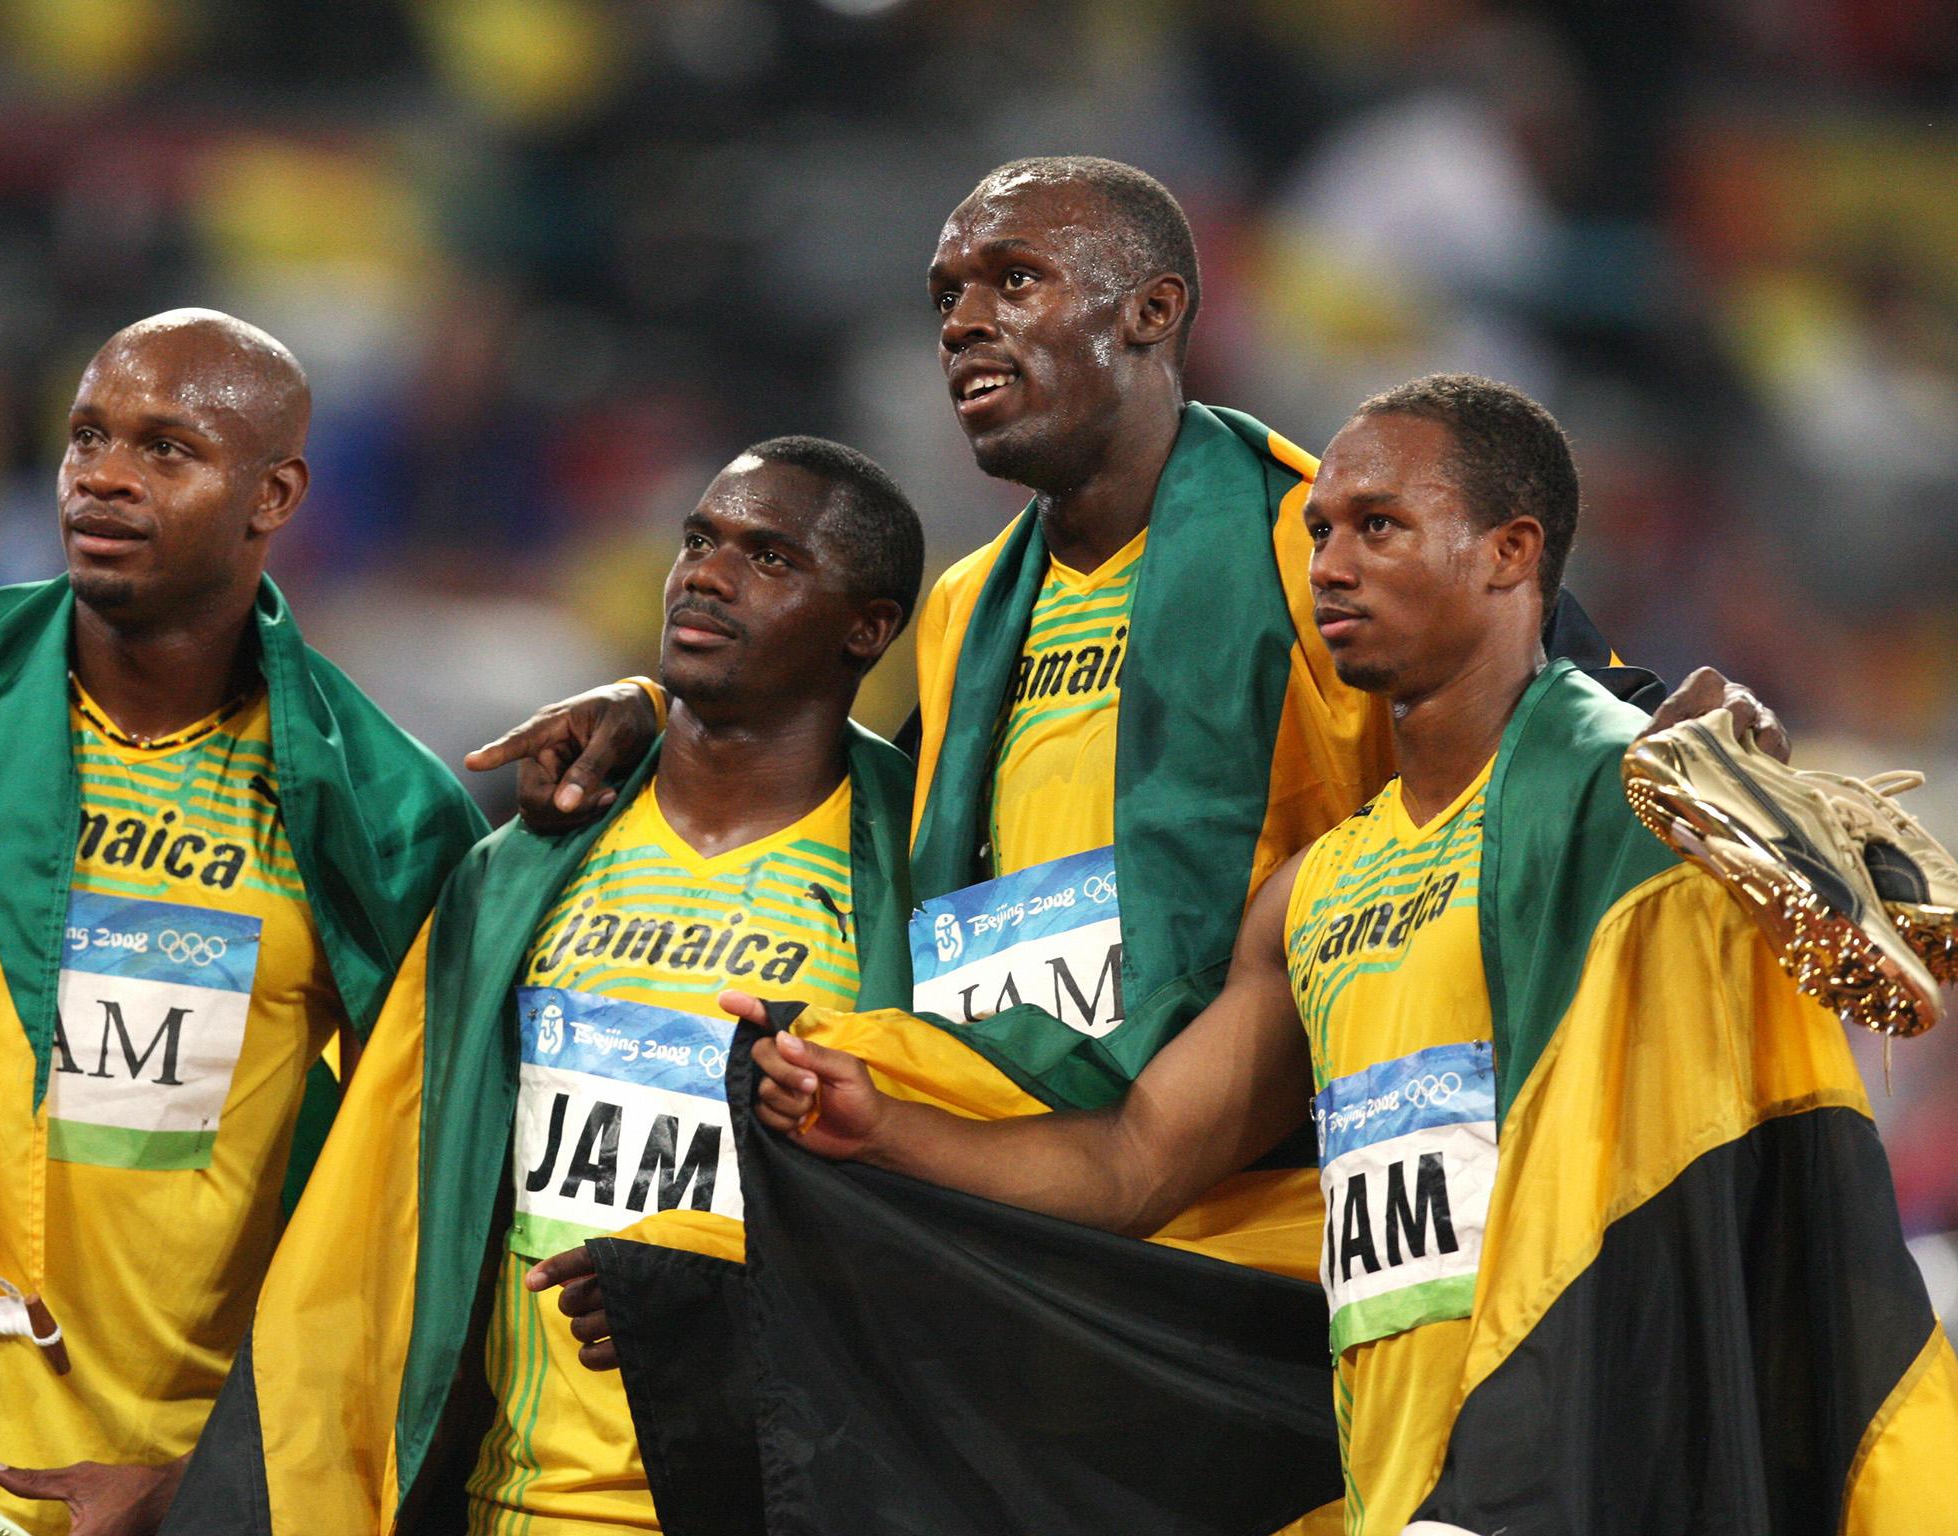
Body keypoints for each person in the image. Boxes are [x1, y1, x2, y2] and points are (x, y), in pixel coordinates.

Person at [471, 165, 1778, 1285]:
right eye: (947, 298)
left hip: (1292, 1236)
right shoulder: (967, 609)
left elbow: (1569, 712)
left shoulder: (1317, 536)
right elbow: (856, 798)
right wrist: (661, 709)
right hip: (1031, 1209)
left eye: (1016, 282)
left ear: (1155, 311)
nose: (967, 324)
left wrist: (1703, 736)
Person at [739, 375, 1958, 1534]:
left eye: (1379, 526)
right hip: (1385, 1478)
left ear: (1510, 552)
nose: (1329, 564)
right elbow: (1134, 1162)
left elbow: (1757, 1114)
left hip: (1587, 1456)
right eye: (1320, 530)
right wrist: (885, 1128)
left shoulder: (1626, 807)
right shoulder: (1310, 896)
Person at [158, 437, 925, 1535]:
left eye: (770, 558)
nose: (705, 574)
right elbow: (382, 1212)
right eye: (699, 541)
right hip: (508, 1500)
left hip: (772, 1504)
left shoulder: (917, 876)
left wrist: (728, 1287)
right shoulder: (521, 867)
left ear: (869, 627)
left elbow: (959, 1198)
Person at [0, 311, 488, 1536]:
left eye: (167, 450)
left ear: (272, 493)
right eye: (86, 439)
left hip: (144, 1476)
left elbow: (417, 1204)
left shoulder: (384, 811)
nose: (104, 476)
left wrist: (213, 1491)